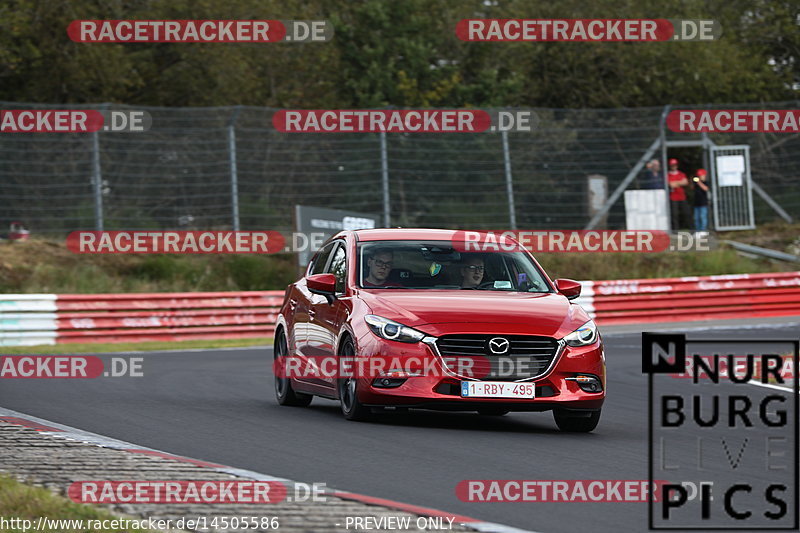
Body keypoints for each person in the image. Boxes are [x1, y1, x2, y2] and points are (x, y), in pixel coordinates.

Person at [667, 158, 691, 230]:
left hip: (682, 197)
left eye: (675, 165)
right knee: (675, 215)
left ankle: (692, 229)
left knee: (687, 213)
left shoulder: (681, 174)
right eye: (672, 165)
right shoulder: (668, 175)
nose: (674, 166)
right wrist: (680, 182)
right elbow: (671, 185)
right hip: (673, 197)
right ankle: (675, 230)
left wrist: (676, 183)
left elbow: (686, 182)